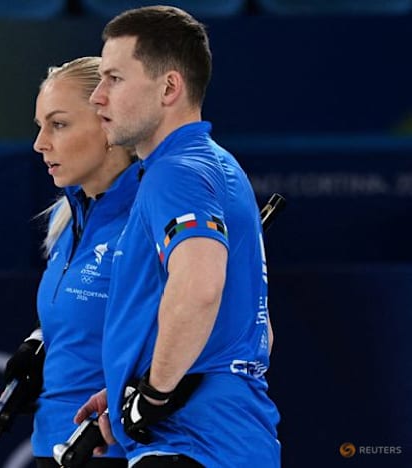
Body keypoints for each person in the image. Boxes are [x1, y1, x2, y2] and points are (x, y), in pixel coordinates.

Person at [74, 6, 281, 467]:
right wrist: (131, 377)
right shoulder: (213, 166)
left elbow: (200, 288)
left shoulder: (176, 174)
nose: (97, 98)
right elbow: (252, 329)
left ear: (169, 87)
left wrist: (153, 395)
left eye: (114, 78)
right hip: (224, 440)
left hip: (191, 446)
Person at [2, 56, 141, 468]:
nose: (40, 143)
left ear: (109, 125)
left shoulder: (146, 219)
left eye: (58, 124)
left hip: (117, 451)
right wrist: (41, 341)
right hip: (53, 447)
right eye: (40, 126)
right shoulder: (68, 219)